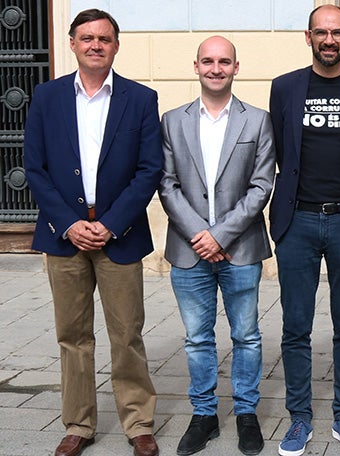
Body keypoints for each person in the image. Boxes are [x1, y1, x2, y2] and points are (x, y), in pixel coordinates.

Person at [23, 9, 162, 456]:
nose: (96, 45)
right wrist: (68, 222)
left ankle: (138, 421)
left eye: (104, 38)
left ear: (116, 45)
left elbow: (149, 169)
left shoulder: (140, 99)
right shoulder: (46, 97)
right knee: (73, 334)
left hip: (117, 232)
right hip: (63, 235)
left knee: (127, 333)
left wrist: (109, 223)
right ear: (73, 43)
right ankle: (78, 424)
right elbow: (35, 168)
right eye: (87, 38)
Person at [268, 5, 340, 456]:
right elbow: (276, 148)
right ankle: (299, 417)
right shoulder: (285, 88)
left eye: (337, 32)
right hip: (297, 219)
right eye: (321, 32)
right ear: (309, 37)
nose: (329, 40)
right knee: (295, 325)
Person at [158, 36, 275, 456]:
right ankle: (204, 415)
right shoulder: (172, 120)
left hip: (240, 247)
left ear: (236, 67)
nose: (215, 68)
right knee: (196, 338)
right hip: (189, 249)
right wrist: (200, 235)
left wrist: (221, 234)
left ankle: (246, 414)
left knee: (246, 335)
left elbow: (262, 185)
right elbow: (167, 184)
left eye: (224, 61)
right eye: (208, 61)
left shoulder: (257, 120)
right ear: (196, 66)